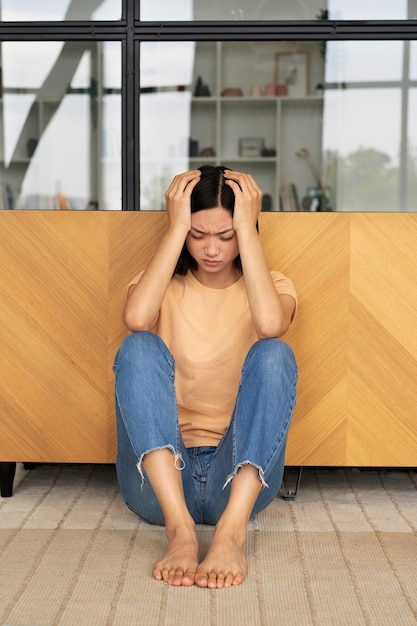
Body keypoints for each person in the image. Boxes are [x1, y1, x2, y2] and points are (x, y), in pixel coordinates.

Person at [113, 166, 298, 589]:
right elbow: (136, 318)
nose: (211, 249)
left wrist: (248, 228)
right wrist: (176, 224)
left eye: (226, 235)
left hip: (237, 483)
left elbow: (271, 325)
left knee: (275, 354)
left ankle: (230, 534)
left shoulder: (274, 287)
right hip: (159, 483)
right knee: (137, 346)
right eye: (198, 235)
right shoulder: (158, 285)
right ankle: (179, 532)